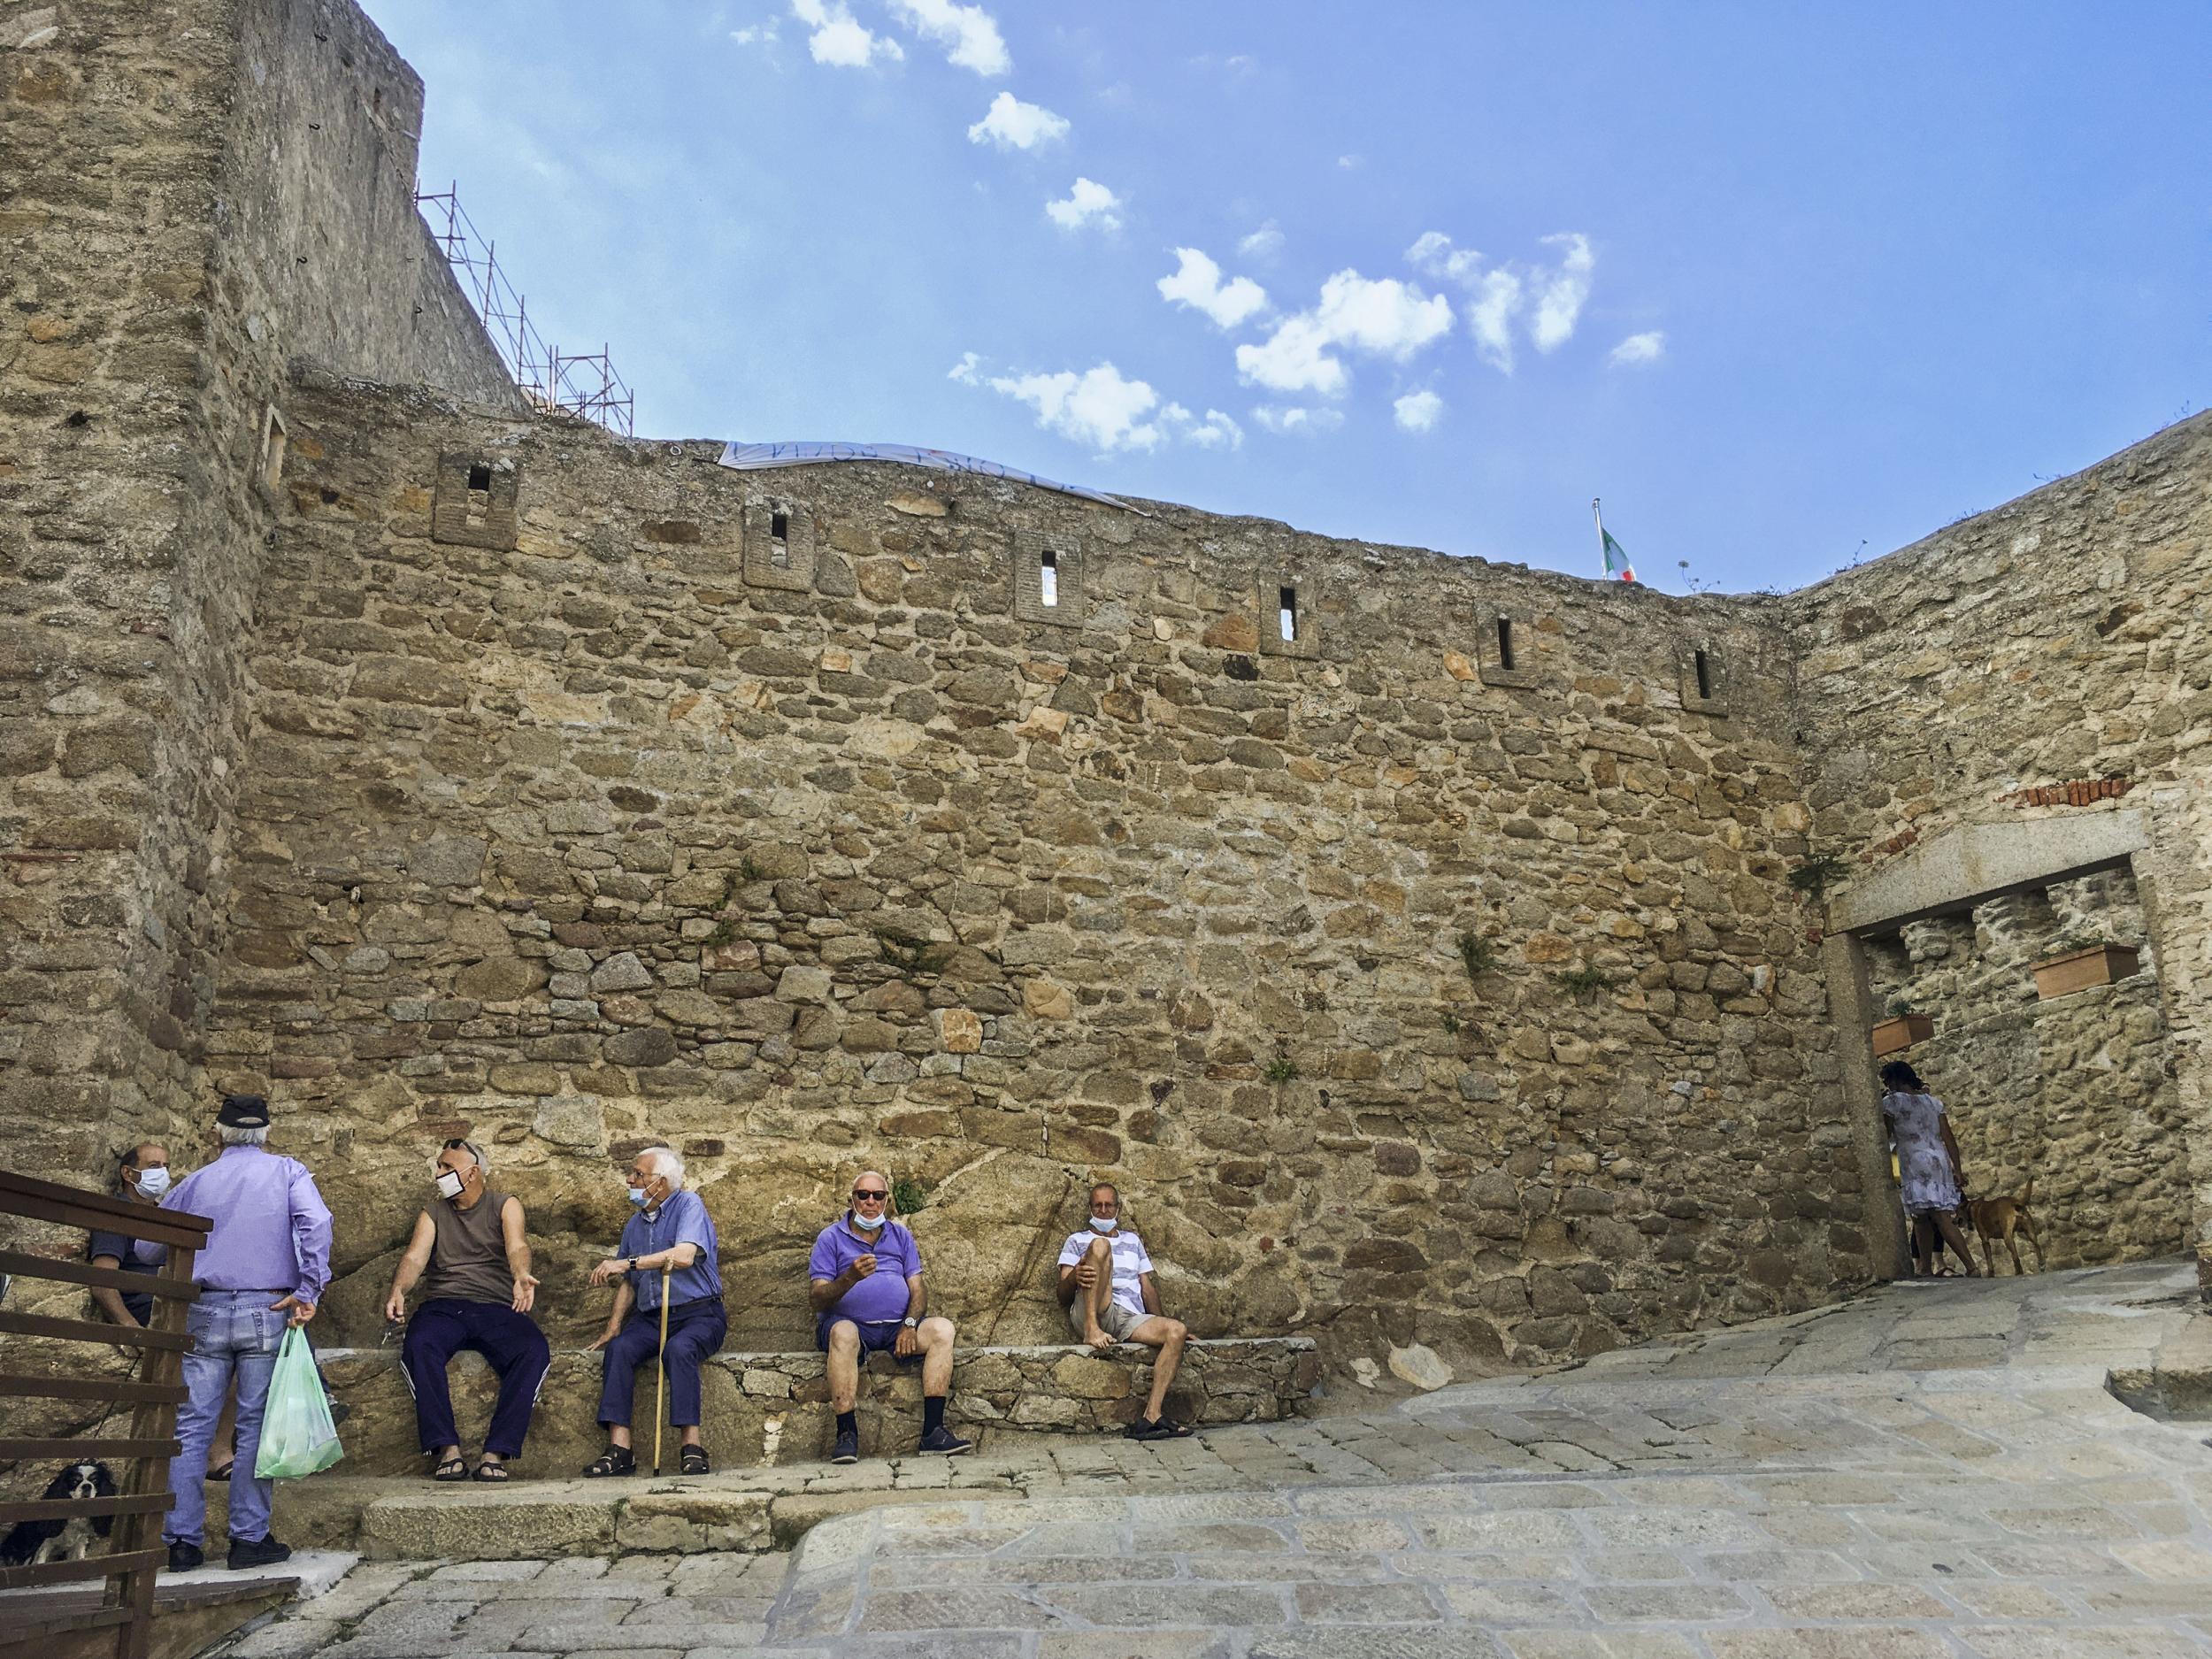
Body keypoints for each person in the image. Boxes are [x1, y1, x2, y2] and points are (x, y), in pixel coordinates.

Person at [158, 1094, 332, 1574]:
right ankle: (248, 1539)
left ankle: (179, 1543)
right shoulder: (288, 1172)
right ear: (266, 1133)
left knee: (191, 1425)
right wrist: (309, 1287)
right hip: (268, 1305)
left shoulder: (196, 1181)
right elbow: (316, 1222)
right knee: (255, 1425)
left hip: (204, 1308)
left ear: (219, 1133)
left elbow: (148, 1244)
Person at [385, 1138, 549, 1482]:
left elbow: (517, 1244)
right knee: (419, 1345)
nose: (438, 1174)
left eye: (447, 1167)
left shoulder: (505, 1204)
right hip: (444, 1306)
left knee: (533, 1349)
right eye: (439, 1166)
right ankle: (447, 1450)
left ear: (472, 1173)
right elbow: (415, 1256)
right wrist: (399, 1289)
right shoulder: (433, 1213)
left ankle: (496, 1452)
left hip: (495, 1307)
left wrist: (521, 1276)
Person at [809, 1170, 972, 1463]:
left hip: (897, 1327)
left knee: (942, 1330)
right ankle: (846, 1434)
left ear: (887, 1201)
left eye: (878, 1196)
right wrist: (850, 1278)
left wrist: (910, 1324)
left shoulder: (900, 1235)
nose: (870, 1202)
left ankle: (933, 1432)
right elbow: (817, 1298)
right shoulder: (830, 1238)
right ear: (852, 1199)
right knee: (843, 1333)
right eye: (863, 1195)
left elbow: (918, 1288)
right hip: (851, 1327)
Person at [582, 1146, 724, 1477]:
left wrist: (627, 1262)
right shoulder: (634, 1224)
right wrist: (614, 1325)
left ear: (659, 1183)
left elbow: (685, 1255)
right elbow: (629, 1283)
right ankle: (620, 1450)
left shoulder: (689, 1204)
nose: (630, 1179)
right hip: (650, 1317)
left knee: (680, 1348)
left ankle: (692, 1446)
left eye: (637, 1174)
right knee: (619, 1350)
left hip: (699, 1314)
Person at [1055, 1182, 1194, 1440]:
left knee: (1177, 1330)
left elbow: (1146, 1287)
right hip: (1093, 1310)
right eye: (1098, 1205)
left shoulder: (1133, 1240)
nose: (1104, 1210)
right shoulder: (1076, 1240)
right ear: (1090, 1208)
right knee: (1100, 1246)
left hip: (1129, 1315)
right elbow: (1062, 1295)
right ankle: (1092, 1330)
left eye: (1109, 1205)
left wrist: (1160, 1320)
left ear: (1118, 1208)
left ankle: (1152, 1415)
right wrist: (1075, 1275)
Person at [1879, 1060, 1979, 1279]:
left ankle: (1971, 1266)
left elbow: (1885, 1135)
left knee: (1938, 1215)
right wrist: (1958, 1169)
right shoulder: (1933, 1103)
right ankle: (1925, 1268)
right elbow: (1948, 1137)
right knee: (1921, 1215)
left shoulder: (1892, 1102)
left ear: (1895, 1080)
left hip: (1914, 1160)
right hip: (1938, 1159)